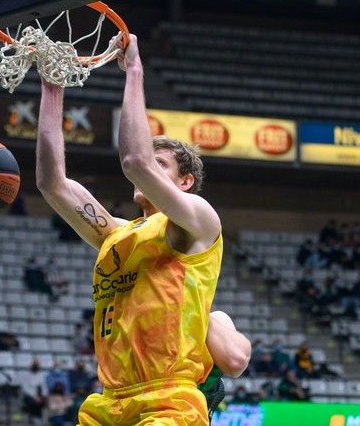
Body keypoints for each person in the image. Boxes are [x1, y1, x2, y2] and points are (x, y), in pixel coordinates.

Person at [35, 34, 250, 425]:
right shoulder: (114, 234)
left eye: (161, 163)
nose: (150, 164)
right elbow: (52, 183)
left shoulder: (197, 220)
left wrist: (133, 70)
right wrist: (53, 87)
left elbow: (135, 160)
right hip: (109, 402)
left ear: (184, 182)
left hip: (168, 400)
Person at [19, 359, 47, 426]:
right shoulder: (26, 375)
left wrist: (43, 396)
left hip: (39, 396)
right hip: (29, 396)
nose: (36, 366)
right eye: (34, 365)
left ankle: (39, 419)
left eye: (37, 365)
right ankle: (35, 418)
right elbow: (25, 389)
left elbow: (44, 388)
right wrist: (34, 396)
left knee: (43, 401)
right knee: (34, 402)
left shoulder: (41, 375)